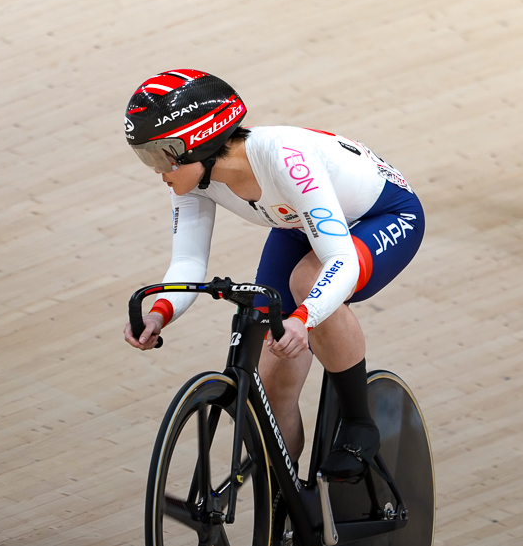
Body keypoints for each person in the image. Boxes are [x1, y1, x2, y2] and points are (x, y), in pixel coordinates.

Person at [120, 69, 423, 479]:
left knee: (308, 283)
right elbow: (188, 263)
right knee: (271, 382)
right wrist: (160, 312)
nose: (158, 170)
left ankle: (358, 423)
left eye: (161, 154)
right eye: (146, 156)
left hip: (383, 217)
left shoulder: (284, 158)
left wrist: (304, 317)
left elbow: (341, 260)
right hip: (300, 225)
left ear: (199, 140)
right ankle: (287, 500)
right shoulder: (193, 180)